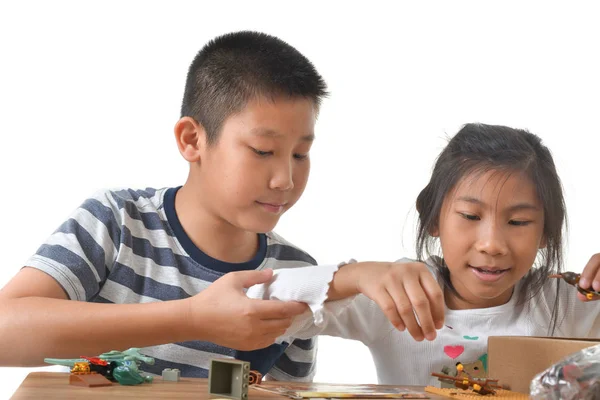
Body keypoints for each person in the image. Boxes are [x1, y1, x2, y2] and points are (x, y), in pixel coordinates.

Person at [0, 30, 328, 380]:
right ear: (192, 140)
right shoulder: (117, 222)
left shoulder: (296, 272)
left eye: (300, 154)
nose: (286, 180)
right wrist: (192, 318)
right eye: (263, 151)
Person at [247, 123, 600, 386]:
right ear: (433, 218)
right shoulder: (398, 294)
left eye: (519, 221)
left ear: (546, 231)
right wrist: (356, 276)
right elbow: (253, 301)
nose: (492, 244)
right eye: (471, 217)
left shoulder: (566, 303)